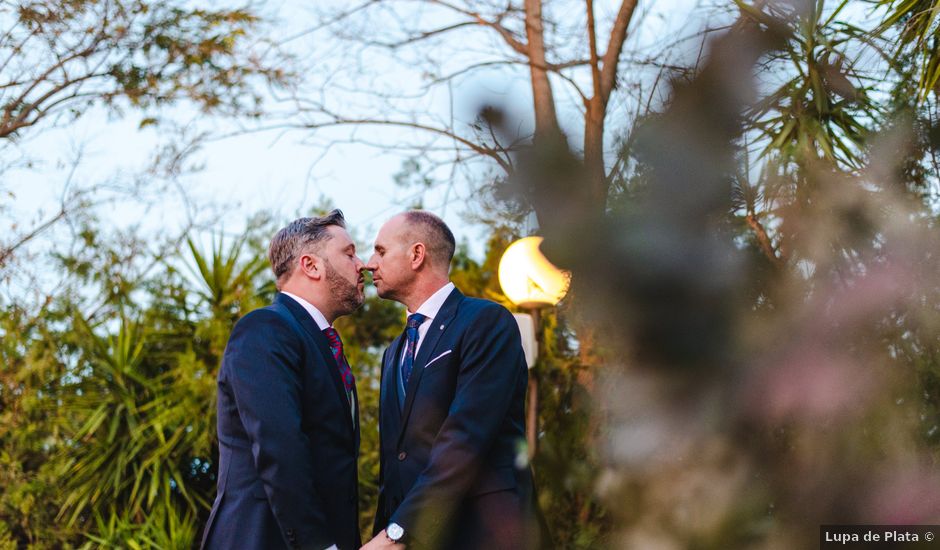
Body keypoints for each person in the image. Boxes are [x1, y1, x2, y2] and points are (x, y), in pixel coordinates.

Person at [362, 211, 538, 550]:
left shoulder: (486, 322)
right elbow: (395, 462)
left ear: (416, 255)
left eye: (380, 251)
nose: (370, 263)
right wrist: (388, 530)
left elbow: (466, 436)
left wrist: (398, 533)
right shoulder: (394, 352)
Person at [201, 209, 365, 550]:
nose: (361, 264)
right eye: (349, 254)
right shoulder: (265, 329)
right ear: (311, 265)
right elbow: (279, 445)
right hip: (261, 538)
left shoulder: (323, 344)